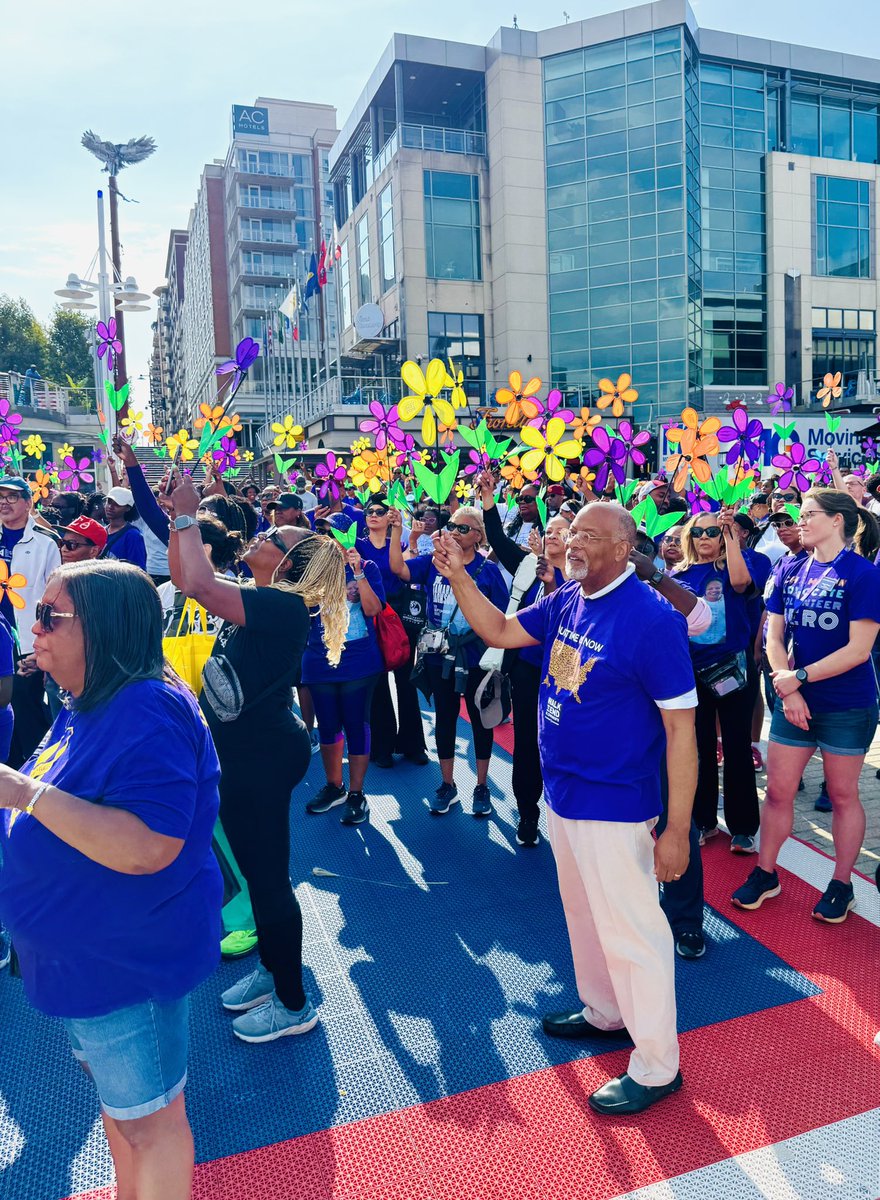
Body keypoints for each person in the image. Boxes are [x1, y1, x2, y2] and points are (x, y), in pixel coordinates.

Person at [432, 502, 697, 1115]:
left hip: (616, 801)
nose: (572, 542)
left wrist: (677, 829)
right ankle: (605, 1011)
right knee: (583, 916)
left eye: (589, 536)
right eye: (571, 531)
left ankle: (658, 1064)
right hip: (566, 792)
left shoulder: (652, 620)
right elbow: (500, 631)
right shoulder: (567, 598)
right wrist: (459, 577)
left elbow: (683, 733)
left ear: (625, 549)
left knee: (634, 931)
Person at [0, 560, 223, 1199]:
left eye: (50, 617)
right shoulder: (93, 699)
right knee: (127, 1115)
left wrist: (23, 793)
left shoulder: (147, 709)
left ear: (103, 628)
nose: (33, 627)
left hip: (126, 965)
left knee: (152, 1124)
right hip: (89, 963)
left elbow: (149, 844)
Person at [168, 475, 349, 1043]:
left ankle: (294, 1003)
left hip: (262, 757)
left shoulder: (280, 606)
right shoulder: (260, 595)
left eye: (276, 533)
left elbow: (195, 578)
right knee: (256, 871)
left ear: (289, 562)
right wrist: (179, 515)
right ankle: (274, 971)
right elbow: (184, 577)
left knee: (267, 879)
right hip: (247, 751)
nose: (262, 531)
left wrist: (188, 513)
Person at [733, 489, 880, 923]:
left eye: (809, 514)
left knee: (841, 794)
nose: (801, 521)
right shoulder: (790, 567)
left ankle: (841, 883)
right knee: (778, 791)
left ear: (837, 520)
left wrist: (798, 678)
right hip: (795, 701)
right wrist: (789, 690)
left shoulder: (863, 575)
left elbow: (858, 650)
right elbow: (774, 636)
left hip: (847, 705)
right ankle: (766, 874)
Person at [389, 506, 508, 816]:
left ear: (479, 537)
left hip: (476, 657)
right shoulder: (433, 563)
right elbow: (399, 570)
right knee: (444, 717)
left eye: (464, 528)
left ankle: (481, 786)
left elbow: (502, 618)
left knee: (482, 722)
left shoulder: (489, 571)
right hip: (438, 655)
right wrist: (399, 531)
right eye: (452, 525)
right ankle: (447, 784)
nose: (455, 530)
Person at [476, 470, 568, 847]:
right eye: (553, 532)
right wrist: (487, 498)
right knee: (527, 743)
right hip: (529, 671)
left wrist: (554, 582)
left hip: (569, 675)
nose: (557, 539)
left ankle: (568, 819)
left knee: (565, 746)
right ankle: (528, 814)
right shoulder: (529, 565)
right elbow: (496, 537)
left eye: (566, 532)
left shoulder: (590, 577)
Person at [672, 508, 770, 852]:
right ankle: (704, 822)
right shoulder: (678, 573)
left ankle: (743, 828)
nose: (704, 539)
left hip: (733, 671)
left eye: (712, 532)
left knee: (737, 748)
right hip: (691, 674)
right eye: (698, 533)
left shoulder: (742, 563)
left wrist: (730, 537)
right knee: (699, 751)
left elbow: (742, 584)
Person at [302, 521, 385, 826]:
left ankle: (356, 793)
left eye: (334, 532)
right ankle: (334, 786)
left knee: (355, 723)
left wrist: (358, 573)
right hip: (319, 660)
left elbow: (374, 609)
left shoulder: (367, 567)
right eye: (322, 532)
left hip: (359, 661)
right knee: (327, 727)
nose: (329, 538)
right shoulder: (309, 569)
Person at [359, 495, 429, 769]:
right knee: (377, 684)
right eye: (370, 511)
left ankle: (413, 745)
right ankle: (383, 747)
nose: (374, 514)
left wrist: (401, 532)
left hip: (399, 617)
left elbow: (404, 572)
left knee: (405, 679)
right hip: (371, 617)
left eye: (380, 511)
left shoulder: (397, 544)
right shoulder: (356, 544)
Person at [0, 476, 61, 767]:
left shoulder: (46, 544)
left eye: (12, 497)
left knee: (27, 714)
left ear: (28, 502)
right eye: (0, 496)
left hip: (26, 643)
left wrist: (43, 648)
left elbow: (55, 599)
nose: (4, 502)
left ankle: (37, 779)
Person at [102, 486, 147, 570]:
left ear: (128, 508)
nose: (110, 507)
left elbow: (138, 570)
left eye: (117, 504)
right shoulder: (101, 531)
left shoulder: (133, 536)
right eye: (109, 502)